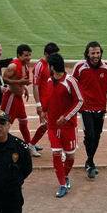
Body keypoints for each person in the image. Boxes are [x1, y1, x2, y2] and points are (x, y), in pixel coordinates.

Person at [72, 41, 107, 179]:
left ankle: (89, 161)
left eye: (98, 53)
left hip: (101, 107)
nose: (96, 55)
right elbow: (72, 85)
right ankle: (90, 163)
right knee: (90, 136)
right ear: (87, 54)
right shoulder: (79, 67)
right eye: (93, 53)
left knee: (97, 136)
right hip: (85, 107)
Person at [43, 53, 83, 198]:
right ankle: (62, 184)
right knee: (56, 153)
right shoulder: (49, 81)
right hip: (53, 126)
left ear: (52, 66)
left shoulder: (70, 81)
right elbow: (48, 99)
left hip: (68, 126)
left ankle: (64, 176)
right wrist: (43, 111)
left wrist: (66, 117)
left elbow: (79, 101)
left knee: (70, 157)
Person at [28, 42, 60, 157]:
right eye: (53, 55)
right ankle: (31, 145)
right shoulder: (39, 66)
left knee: (50, 124)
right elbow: (35, 86)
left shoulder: (52, 64)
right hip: (43, 102)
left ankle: (32, 144)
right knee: (47, 125)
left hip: (52, 101)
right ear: (46, 54)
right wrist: (38, 105)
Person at [0, 44, 32, 144]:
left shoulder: (25, 65)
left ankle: (29, 145)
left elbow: (19, 79)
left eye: (30, 55)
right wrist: (20, 83)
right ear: (19, 55)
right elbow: (4, 79)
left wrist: (24, 88)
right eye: (26, 55)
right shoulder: (13, 65)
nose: (29, 58)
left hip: (18, 98)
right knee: (4, 123)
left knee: (24, 122)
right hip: (11, 98)